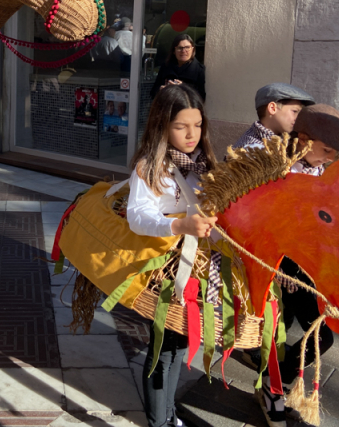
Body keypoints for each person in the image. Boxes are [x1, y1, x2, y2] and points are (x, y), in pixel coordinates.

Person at [256, 104, 339, 427]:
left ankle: (279, 382)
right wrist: (282, 264)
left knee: (323, 334)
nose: (330, 158)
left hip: (308, 268)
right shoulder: (275, 166)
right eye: (327, 150)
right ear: (303, 139)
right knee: (274, 331)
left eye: (334, 153)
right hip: (276, 266)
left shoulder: (319, 171)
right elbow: (264, 221)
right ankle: (271, 390)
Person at [127, 84, 219, 427]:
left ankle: (167, 414)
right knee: (163, 347)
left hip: (195, 267)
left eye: (197, 125)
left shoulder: (204, 162)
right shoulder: (151, 165)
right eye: (181, 126)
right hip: (164, 270)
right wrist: (180, 225)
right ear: (162, 125)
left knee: (181, 344)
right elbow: (137, 216)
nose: (192, 134)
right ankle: (160, 420)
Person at [232, 83, 316, 150]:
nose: (298, 118)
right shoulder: (252, 150)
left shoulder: (283, 141)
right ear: (272, 108)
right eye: (294, 111)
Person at [150, 34, 206, 101]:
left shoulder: (198, 69)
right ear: (174, 51)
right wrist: (161, 90)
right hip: (167, 107)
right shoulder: (166, 66)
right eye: (180, 48)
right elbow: (153, 92)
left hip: (186, 109)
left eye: (187, 47)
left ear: (192, 49)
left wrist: (183, 87)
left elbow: (201, 97)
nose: (183, 51)